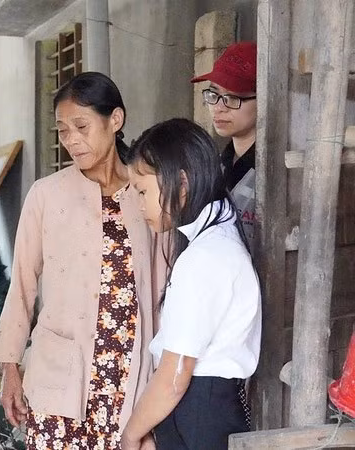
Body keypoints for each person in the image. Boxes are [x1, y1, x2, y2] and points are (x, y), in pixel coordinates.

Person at [0, 72, 165, 449]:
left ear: (114, 120)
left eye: (81, 126)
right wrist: (10, 368)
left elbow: (164, 287)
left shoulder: (146, 193)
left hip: (127, 373)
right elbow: (21, 284)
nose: (71, 140)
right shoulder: (46, 195)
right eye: (63, 130)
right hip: (59, 373)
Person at [121, 118, 261, 450]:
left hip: (201, 410)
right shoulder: (214, 240)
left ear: (181, 183)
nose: (140, 205)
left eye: (142, 190)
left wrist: (131, 434)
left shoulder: (206, 256)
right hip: (200, 409)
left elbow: (175, 375)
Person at [191, 41, 257, 243]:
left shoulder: (276, 171)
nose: (218, 108)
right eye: (214, 95)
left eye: (232, 97)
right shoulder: (218, 164)